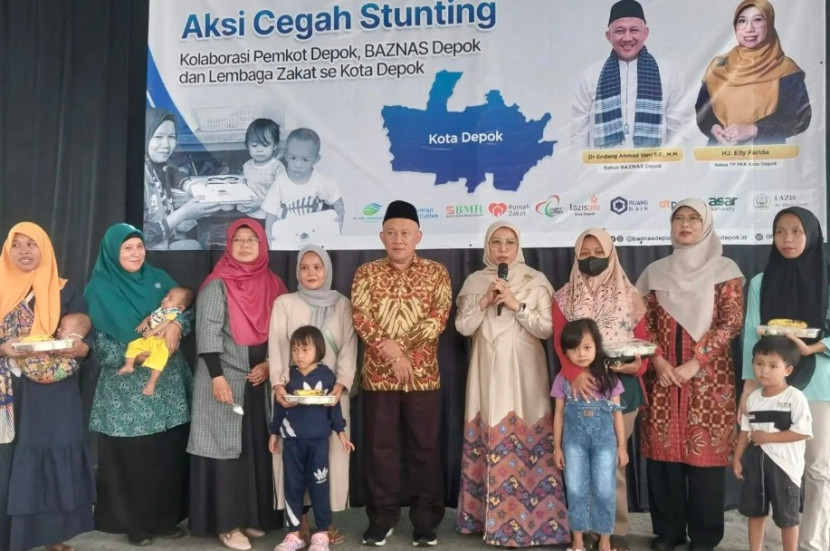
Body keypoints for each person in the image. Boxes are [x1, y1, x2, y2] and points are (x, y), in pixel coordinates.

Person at [635, 198, 744, 551]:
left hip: (708, 380)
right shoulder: (655, 272)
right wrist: (660, 362)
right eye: (679, 218)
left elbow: (731, 323)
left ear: (706, 225)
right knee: (663, 462)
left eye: (694, 219)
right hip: (663, 377)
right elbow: (642, 323)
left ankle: (705, 537)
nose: (685, 225)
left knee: (705, 466)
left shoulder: (725, 269)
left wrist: (696, 363)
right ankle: (668, 533)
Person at [455, 221, 569, 547]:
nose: (502, 248)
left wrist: (517, 305)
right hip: (485, 369)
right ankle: (483, 518)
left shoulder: (536, 280)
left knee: (527, 430)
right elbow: (463, 327)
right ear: (487, 247)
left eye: (509, 242)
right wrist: (485, 301)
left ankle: (535, 521)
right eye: (496, 242)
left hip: (525, 369)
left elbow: (547, 330)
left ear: (518, 246)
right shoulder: (476, 281)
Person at [351, 200, 451, 547]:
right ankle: (382, 517)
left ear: (418, 236)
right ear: (381, 236)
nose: (398, 239)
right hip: (378, 376)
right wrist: (392, 353)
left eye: (405, 233)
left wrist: (406, 355)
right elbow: (361, 317)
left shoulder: (437, 272)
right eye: (391, 233)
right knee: (381, 449)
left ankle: (425, 519)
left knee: (425, 448)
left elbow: (438, 318)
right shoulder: (366, 273)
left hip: (424, 376)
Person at [86, 223, 193, 546]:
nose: (135, 253)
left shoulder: (158, 278)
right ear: (112, 252)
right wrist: (135, 354)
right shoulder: (98, 289)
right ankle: (134, 524)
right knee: (133, 460)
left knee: (165, 454)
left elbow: (183, 310)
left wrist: (177, 326)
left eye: (139, 246)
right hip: (126, 389)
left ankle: (162, 519)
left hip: (166, 388)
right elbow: (98, 342)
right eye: (127, 248)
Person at [187, 218, 287, 551]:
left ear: (263, 245)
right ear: (229, 245)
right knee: (224, 452)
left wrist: (270, 365)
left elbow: (284, 335)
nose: (244, 246)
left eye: (252, 240)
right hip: (224, 378)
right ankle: (227, 525)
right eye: (239, 240)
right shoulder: (217, 284)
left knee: (253, 451)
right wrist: (216, 377)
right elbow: (207, 334)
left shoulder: (274, 285)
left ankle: (248, 516)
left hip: (259, 379)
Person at [739, 207, 830, 551]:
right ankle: (777, 538)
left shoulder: (828, 277)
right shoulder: (761, 282)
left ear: (811, 235)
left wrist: (813, 348)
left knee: (818, 467)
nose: (787, 239)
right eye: (780, 232)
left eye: (795, 231)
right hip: (771, 388)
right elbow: (752, 335)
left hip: (819, 382)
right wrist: (749, 386)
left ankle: (813, 542)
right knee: (770, 464)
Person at [0, 222, 95, 551]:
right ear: (7, 250)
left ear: (45, 249)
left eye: (32, 244)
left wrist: (81, 345)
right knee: (8, 458)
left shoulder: (64, 289)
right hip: (8, 390)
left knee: (51, 457)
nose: (25, 251)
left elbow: (83, 332)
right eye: (17, 244)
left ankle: (49, 535)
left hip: (52, 391)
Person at [552, 228, 648, 551]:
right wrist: (575, 373)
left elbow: (642, 346)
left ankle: (611, 532)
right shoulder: (564, 297)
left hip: (622, 388)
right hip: (577, 388)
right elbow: (558, 341)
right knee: (579, 469)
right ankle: (582, 532)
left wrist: (638, 367)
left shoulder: (631, 295)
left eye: (598, 252)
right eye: (585, 253)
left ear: (611, 254)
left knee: (612, 467)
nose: (591, 258)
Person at [269, 244, 357, 545]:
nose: (311, 273)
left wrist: (341, 383)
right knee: (292, 463)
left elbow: (348, 345)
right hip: (291, 396)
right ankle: (298, 523)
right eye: (305, 267)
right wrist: (278, 384)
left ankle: (325, 523)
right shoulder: (284, 303)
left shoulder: (341, 303)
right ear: (297, 271)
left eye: (317, 267)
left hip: (330, 395)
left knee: (329, 459)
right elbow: (278, 346)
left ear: (327, 270)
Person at [553, 319, 628, 551]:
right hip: (573, 444)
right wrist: (557, 447)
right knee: (575, 489)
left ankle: (605, 542)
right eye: (574, 349)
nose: (581, 354)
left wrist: (622, 447)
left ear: (597, 346)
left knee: (605, 491)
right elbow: (558, 415)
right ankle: (577, 541)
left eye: (587, 347)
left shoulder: (609, 378)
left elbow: (617, 416)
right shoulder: (562, 379)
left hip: (605, 444)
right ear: (565, 352)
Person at [571, 0, 688, 149]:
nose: (627, 38)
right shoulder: (591, 75)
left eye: (634, 30)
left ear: (645, 33)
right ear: (608, 36)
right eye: (620, 31)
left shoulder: (669, 72)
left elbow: (678, 129)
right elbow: (579, 132)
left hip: (654, 168)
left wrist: (675, 169)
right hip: (602, 167)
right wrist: (580, 168)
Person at [695, 0, 811, 146]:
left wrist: (753, 129)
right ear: (735, 26)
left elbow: (800, 118)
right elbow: (702, 109)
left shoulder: (786, 69)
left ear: (769, 23)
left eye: (757, 20)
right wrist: (714, 127)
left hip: (768, 158)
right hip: (720, 155)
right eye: (742, 21)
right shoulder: (719, 66)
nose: (749, 28)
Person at [734, 336, 812, 551]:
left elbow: (803, 431)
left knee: (787, 517)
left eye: (772, 365)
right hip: (756, 463)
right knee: (755, 511)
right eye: (759, 364)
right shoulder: (753, 398)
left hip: (785, 467)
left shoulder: (795, 398)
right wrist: (738, 458)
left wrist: (768, 438)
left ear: (787, 370)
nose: (764, 371)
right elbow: (745, 431)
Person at [143, 107, 220, 249]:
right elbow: (141, 237)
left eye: (171, 137)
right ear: (145, 136)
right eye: (159, 137)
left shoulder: (161, 165)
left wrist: (191, 186)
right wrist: (183, 214)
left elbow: (174, 172)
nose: (166, 145)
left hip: (167, 240)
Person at [262, 128, 345, 239]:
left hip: (314, 233)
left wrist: (340, 211)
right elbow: (271, 210)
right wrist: (268, 232)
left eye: (305, 160)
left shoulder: (320, 181)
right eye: (293, 158)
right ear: (286, 156)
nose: (298, 164)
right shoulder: (280, 182)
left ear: (316, 159)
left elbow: (336, 197)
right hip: (288, 234)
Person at [118, 286, 195, 395]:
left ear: (180, 307)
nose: (165, 299)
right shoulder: (161, 309)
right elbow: (151, 317)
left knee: (158, 360)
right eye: (166, 296)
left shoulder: (173, 312)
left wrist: (152, 332)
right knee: (134, 345)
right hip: (150, 339)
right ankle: (129, 366)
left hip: (161, 341)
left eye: (170, 299)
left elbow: (165, 323)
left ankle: (152, 383)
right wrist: (144, 323)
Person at [14, 312, 91, 384]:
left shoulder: (71, 343)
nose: (58, 329)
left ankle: (18, 363)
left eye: (62, 328)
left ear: (75, 333)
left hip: (55, 370)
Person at [238, 118, 283, 218]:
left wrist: (261, 203)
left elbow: (282, 194)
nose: (259, 149)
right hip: (250, 215)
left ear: (275, 146)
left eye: (265, 145)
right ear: (247, 146)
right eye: (254, 145)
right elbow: (243, 187)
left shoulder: (277, 167)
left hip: (271, 217)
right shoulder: (247, 166)